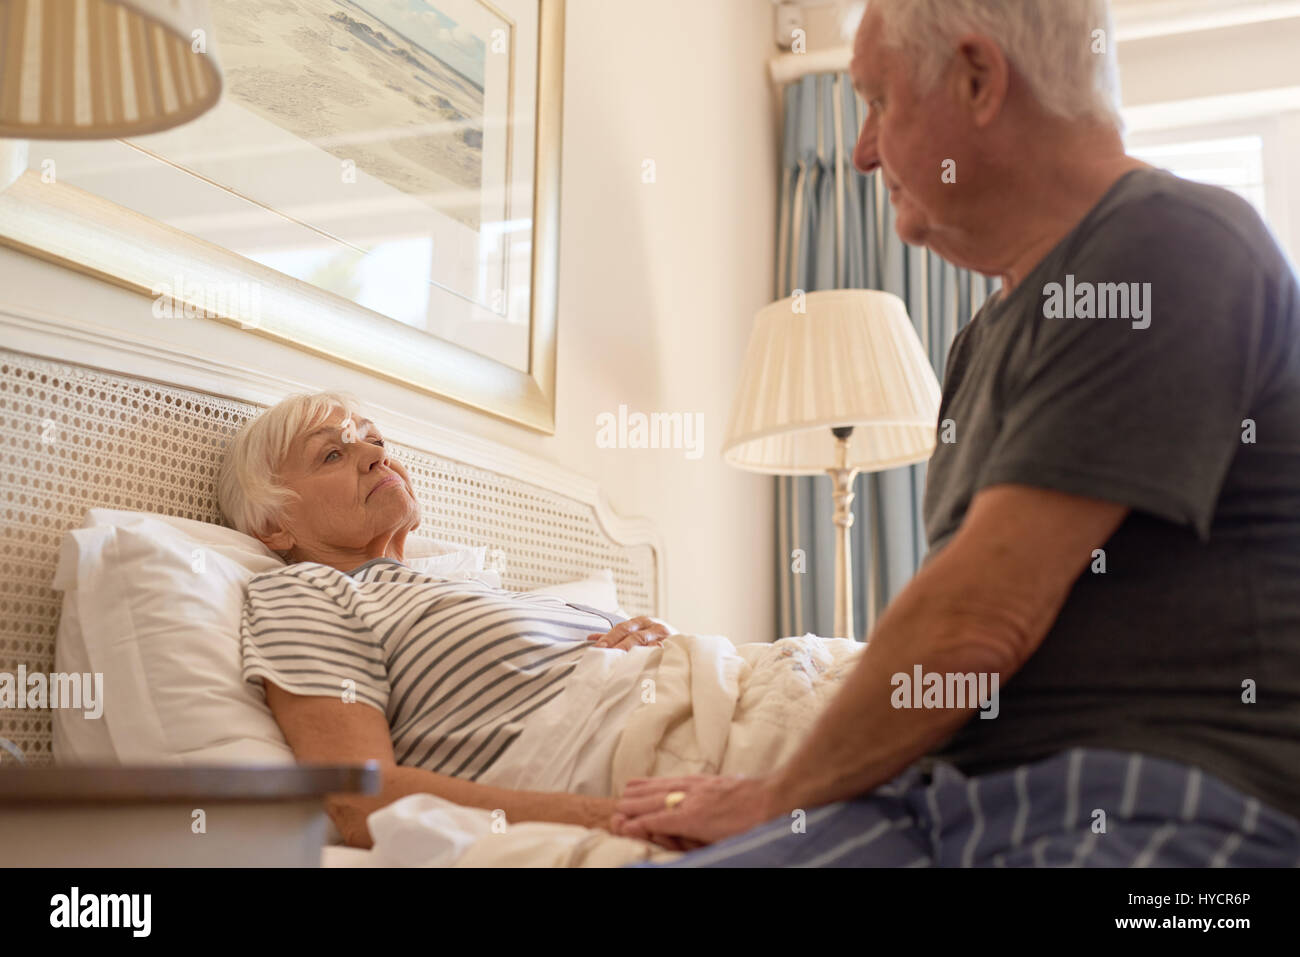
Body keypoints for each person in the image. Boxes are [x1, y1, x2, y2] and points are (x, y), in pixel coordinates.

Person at [613, 0, 1300, 867]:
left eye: (876, 102)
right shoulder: (980, 340)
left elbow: (980, 615)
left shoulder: (1172, 241)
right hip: (949, 805)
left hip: (1162, 797)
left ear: (978, 80)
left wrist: (775, 797)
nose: (862, 151)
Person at [218, 392, 676, 849]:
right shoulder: (307, 594)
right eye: (333, 453)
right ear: (273, 525)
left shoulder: (475, 592)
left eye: (375, 440)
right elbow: (360, 801)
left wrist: (661, 640)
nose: (378, 455)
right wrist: (623, 818)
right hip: (652, 767)